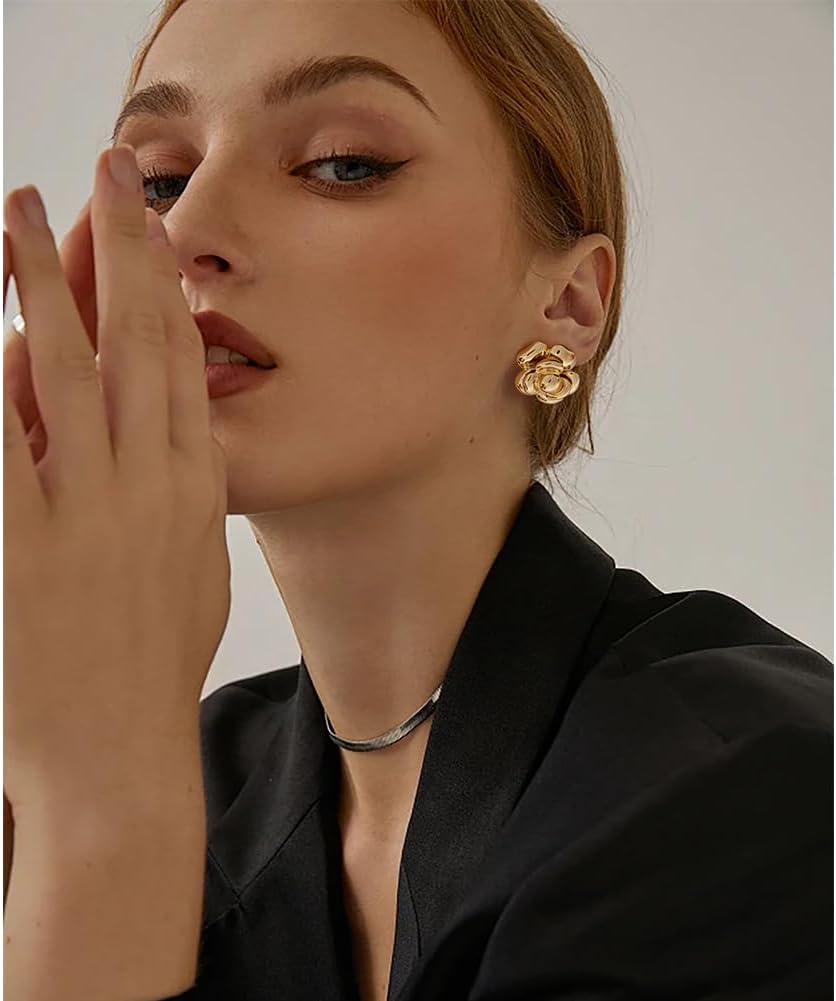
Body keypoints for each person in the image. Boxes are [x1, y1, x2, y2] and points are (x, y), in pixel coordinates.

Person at [7, 2, 833, 1000]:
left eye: (342, 163)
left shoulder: (744, 778)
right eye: (160, 181)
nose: (187, 234)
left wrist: (100, 810)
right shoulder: (186, 767)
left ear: (567, 302)